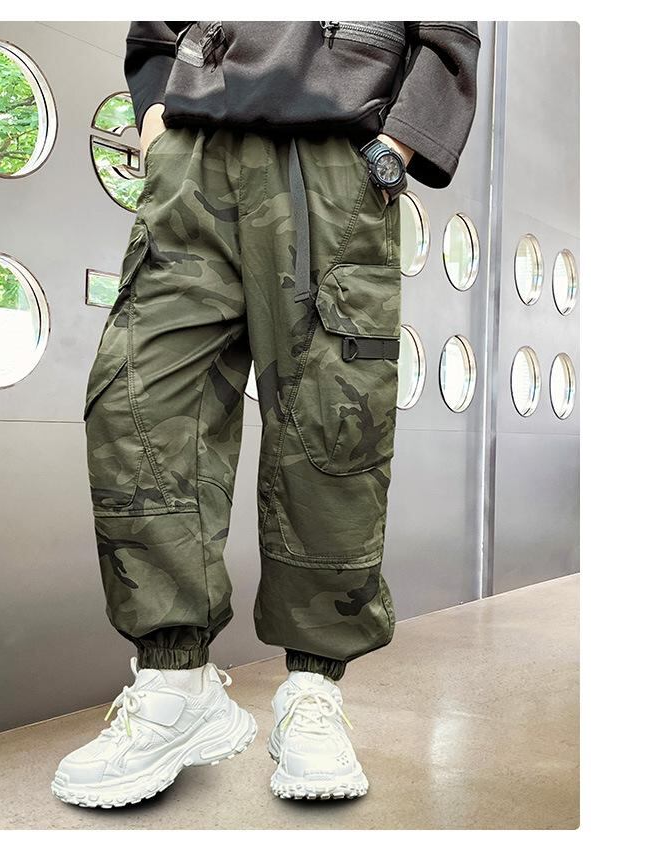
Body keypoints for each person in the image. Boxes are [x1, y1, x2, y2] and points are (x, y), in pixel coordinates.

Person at [53, 20, 480, 806]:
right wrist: (157, 125)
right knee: (136, 402)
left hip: (334, 158)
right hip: (194, 154)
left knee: (332, 425)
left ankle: (312, 692)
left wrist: (397, 146)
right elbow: (155, 32)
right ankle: (175, 685)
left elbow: (451, 29)